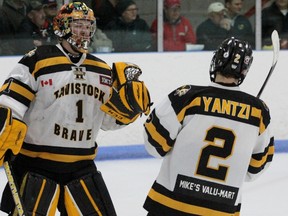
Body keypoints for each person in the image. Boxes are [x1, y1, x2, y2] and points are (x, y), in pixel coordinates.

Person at [0, 2, 151, 215]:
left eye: (88, 26)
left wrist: (127, 112)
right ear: (62, 26)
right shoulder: (38, 59)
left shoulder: (101, 69)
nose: (84, 31)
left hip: (82, 166)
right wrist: (5, 127)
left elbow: (107, 121)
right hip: (36, 165)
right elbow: (10, 102)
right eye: (78, 25)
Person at [143, 37, 274, 215]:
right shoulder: (259, 112)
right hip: (221, 209)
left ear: (217, 60)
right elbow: (255, 169)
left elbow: (154, 144)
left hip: (170, 205)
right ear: (244, 70)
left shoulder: (187, 96)